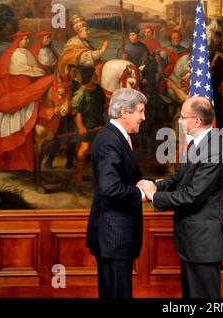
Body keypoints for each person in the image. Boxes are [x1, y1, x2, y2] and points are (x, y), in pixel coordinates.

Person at [138, 96, 223, 298]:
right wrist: (154, 186)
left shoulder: (214, 149)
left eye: (182, 117)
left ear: (196, 120)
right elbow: (180, 177)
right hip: (193, 241)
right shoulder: (199, 143)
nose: (179, 121)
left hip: (203, 242)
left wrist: (154, 197)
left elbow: (192, 195)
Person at [86, 88, 148, 298]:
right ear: (124, 112)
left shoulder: (116, 137)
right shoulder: (109, 140)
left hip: (117, 236)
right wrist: (141, 194)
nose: (143, 117)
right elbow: (110, 187)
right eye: (140, 111)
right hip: (114, 237)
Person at [0, 31, 53, 172]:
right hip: (17, 86)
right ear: (18, 40)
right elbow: (20, 69)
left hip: (28, 83)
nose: (27, 40)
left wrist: (39, 71)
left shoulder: (27, 52)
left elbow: (35, 68)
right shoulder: (15, 53)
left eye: (28, 38)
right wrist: (38, 72)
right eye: (24, 38)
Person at [72, 67, 107, 182]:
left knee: (102, 148)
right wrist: (81, 127)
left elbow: (104, 104)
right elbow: (77, 112)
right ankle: (78, 173)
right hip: (87, 125)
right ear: (90, 77)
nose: (96, 76)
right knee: (85, 148)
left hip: (99, 123)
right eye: (95, 74)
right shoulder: (81, 93)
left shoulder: (98, 89)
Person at [57, 14, 108, 81]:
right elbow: (83, 59)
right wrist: (101, 50)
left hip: (83, 71)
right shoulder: (73, 42)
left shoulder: (84, 41)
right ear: (80, 31)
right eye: (86, 30)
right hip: (76, 76)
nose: (89, 32)